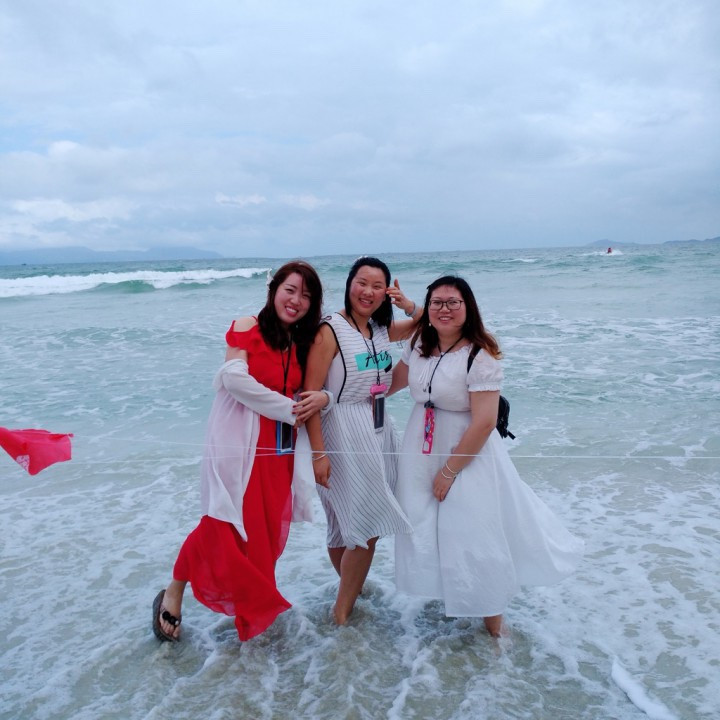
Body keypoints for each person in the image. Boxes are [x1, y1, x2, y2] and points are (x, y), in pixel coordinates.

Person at [390, 276, 583, 637]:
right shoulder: (418, 344)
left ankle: (494, 623)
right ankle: (456, 597)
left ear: (468, 308)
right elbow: (389, 384)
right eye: (437, 303)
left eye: (453, 302)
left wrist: (449, 471)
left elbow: (484, 422)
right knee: (427, 522)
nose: (444, 309)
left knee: (474, 529)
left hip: (466, 451)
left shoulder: (480, 354)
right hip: (422, 444)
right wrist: (337, 392)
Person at [152, 260, 328, 642]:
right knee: (222, 525)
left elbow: (325, 385)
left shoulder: (304, 342)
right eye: (290, 290)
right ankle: (175, 590)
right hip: (240, 447)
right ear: (274, 290)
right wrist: (289, 408)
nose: (296, 300)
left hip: (279, 453)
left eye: (306, 296)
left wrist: (324, 398)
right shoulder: (248, 326)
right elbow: (234, 379)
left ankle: (252, 625)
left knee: (264, 533)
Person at [304, 257, 419, 624]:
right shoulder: (329, 330)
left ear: (386, 292)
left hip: (377, 427)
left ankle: (348, 592)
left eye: (377, 286)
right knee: (364, 525)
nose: (368, 292)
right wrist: (318, 454)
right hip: (341, 429)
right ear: (349, 284)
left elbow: (428, 324)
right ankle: (342, 614)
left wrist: (407, 304)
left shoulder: (379, 330)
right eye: (362, 283)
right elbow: (308, 397)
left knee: (345, 524)